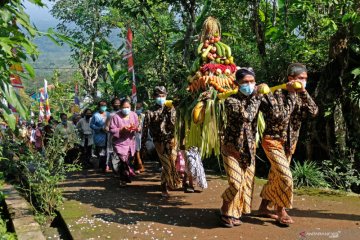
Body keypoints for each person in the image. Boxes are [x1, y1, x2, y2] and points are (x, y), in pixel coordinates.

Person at [219, 68, 283, 227]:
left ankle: (234, 213)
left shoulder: (258, 98)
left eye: (252, 82)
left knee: (244, 185)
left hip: (249, 151)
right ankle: (225, 208)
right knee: (235, 183)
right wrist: (258, 96)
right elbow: (246, 117)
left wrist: (268, 95)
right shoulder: (231, 101)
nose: (249, 85)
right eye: (245, 82)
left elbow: (276, 115)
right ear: (237, 84)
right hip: (231, 149)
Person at [258, 63, 318, 226]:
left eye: (306, 79)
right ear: (290, 78)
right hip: (272, 141)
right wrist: (292, 94)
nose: (304, 81)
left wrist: (302, 92)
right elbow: (280, 116)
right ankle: (281, 210)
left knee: (275, 176)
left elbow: (314, 111)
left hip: (290, 143)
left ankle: (264, 206)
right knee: (286, 176)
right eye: (301, 78)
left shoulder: (302, 94)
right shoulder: (276, 93)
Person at [141, 86, 181, 197]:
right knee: (166, 165)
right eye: (158, 96)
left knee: (172, 162)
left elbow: (174, 125)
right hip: (159, 142)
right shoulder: (149, 112)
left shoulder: (172, 108)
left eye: (163, 96)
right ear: (154, 97)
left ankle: (169, 182)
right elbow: (145, 130)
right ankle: (164, 186)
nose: (161, 98)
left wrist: (169, 111)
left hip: (172, 140)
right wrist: (142, 146)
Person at [109, 98, 139, 186]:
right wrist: (121, 129)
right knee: (123, 161)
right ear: (121, 107)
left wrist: (136, 128)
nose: (126, 109)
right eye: (124, 107)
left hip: (130, 142)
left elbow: (137, 125)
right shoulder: (116, 116)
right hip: (120, 143)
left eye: (128, 107)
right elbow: (112, 129)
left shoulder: (134, 115)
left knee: (128, 160)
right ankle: (123, 179)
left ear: (130, 107)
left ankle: (126, 175)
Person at [90, 100, 110, 172]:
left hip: (108, 135)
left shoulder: (109, 114)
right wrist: (99, 128)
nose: (103, 107)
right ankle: (103, 166)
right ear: (99, 107)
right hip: (99, 136)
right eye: (102, 105)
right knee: (101, 152)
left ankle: (106, 165)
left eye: (104, 105)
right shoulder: (95, 115)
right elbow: (91, 125)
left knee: (107, 151)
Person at [104, 97, 122, 173]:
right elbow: (106, 126)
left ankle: (123, 168)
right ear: (112, 105)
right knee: (113, 151)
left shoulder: (123, 113)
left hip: (123, 136)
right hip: (112, 136)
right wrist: (107, 129)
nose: (117, 104)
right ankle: (113, 168)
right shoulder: (110, 115)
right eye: (115, 103)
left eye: (118, 103)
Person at [134, 102, 145, 173]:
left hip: (143, 136)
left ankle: (141, 165)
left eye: (139, 108)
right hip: (135, 136)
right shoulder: (133, 115)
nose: (138, 109)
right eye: (137, 108)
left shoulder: (144, 116)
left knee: (142, 152)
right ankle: (138, 166)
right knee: (136, 152)